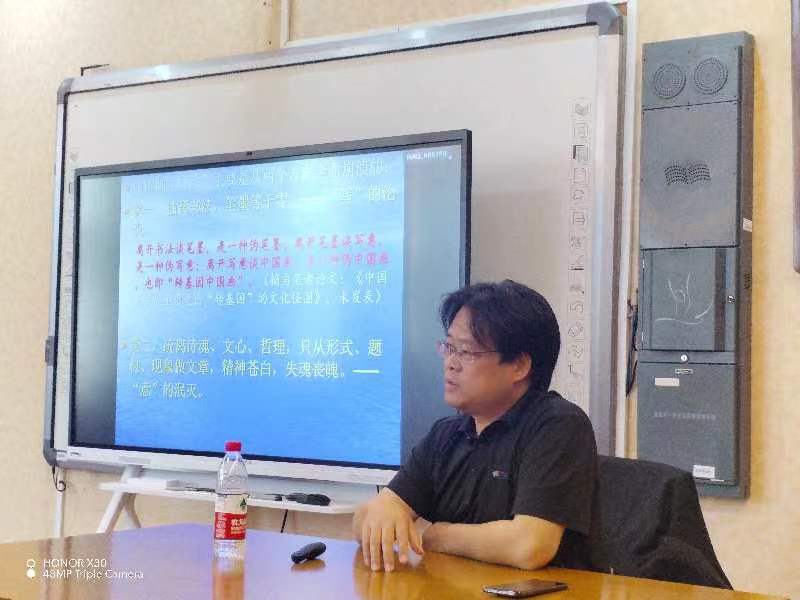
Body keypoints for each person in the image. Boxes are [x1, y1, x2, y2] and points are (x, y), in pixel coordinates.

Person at [352, 280, 597, 572]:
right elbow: (367, 518)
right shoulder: (446, 434)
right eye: (449, 347)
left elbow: (529, 546)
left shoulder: (558, 425)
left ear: (519, 366)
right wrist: (383, 511)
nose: (450, 363)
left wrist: (438, 535)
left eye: (466, 352)